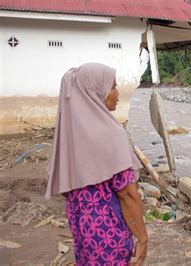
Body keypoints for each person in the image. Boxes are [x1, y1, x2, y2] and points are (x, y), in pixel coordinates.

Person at [45, 63, 148, 265]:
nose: (117, 94)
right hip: (109, 233)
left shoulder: (70, 135)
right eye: (112, 86)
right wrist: (142, 238)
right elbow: (127, 194)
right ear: (94, 91)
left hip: (82, 229)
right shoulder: (110, 134)